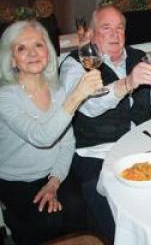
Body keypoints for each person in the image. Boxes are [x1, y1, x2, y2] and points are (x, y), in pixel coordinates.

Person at [59, 5, 151, 242]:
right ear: (93, 34)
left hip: (139, 146)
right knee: (114, 212)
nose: (115, 34)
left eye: (120, 28)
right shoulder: (74, 64)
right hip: (95, 153)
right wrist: (127, 83)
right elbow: (88, 105)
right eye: (106, 28)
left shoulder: (139, 57)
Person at [0, 20, 102, 244]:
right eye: (21, 48)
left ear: (48, 51)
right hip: (16, 179)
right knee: (48, 220)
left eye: (38, 45)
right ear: (12, 59)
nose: (32, 53)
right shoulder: (5, 97)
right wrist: (76, 96)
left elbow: (66, 144)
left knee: (77, 207)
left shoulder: (57, 90)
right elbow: (42, 137)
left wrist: (54, 182)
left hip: (52, 172)